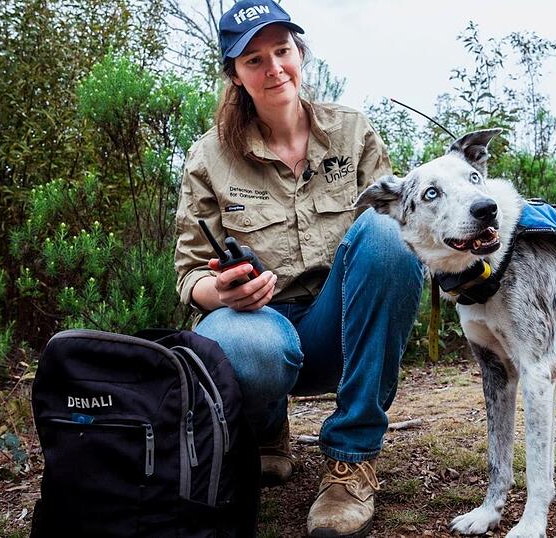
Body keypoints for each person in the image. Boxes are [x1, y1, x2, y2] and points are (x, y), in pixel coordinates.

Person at [173, 1, 424, 536]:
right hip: (259, 326)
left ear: (299, 53)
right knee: (246, 345)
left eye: (282, 51)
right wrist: (221, 292)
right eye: (254, 60)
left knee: (389, 232)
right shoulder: (207, 158)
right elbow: (189, 275)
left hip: (341, 327)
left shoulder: (353, 132)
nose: (274, 69)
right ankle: (265, 430)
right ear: (235, 75)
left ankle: (352, 460)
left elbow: (398, 240)